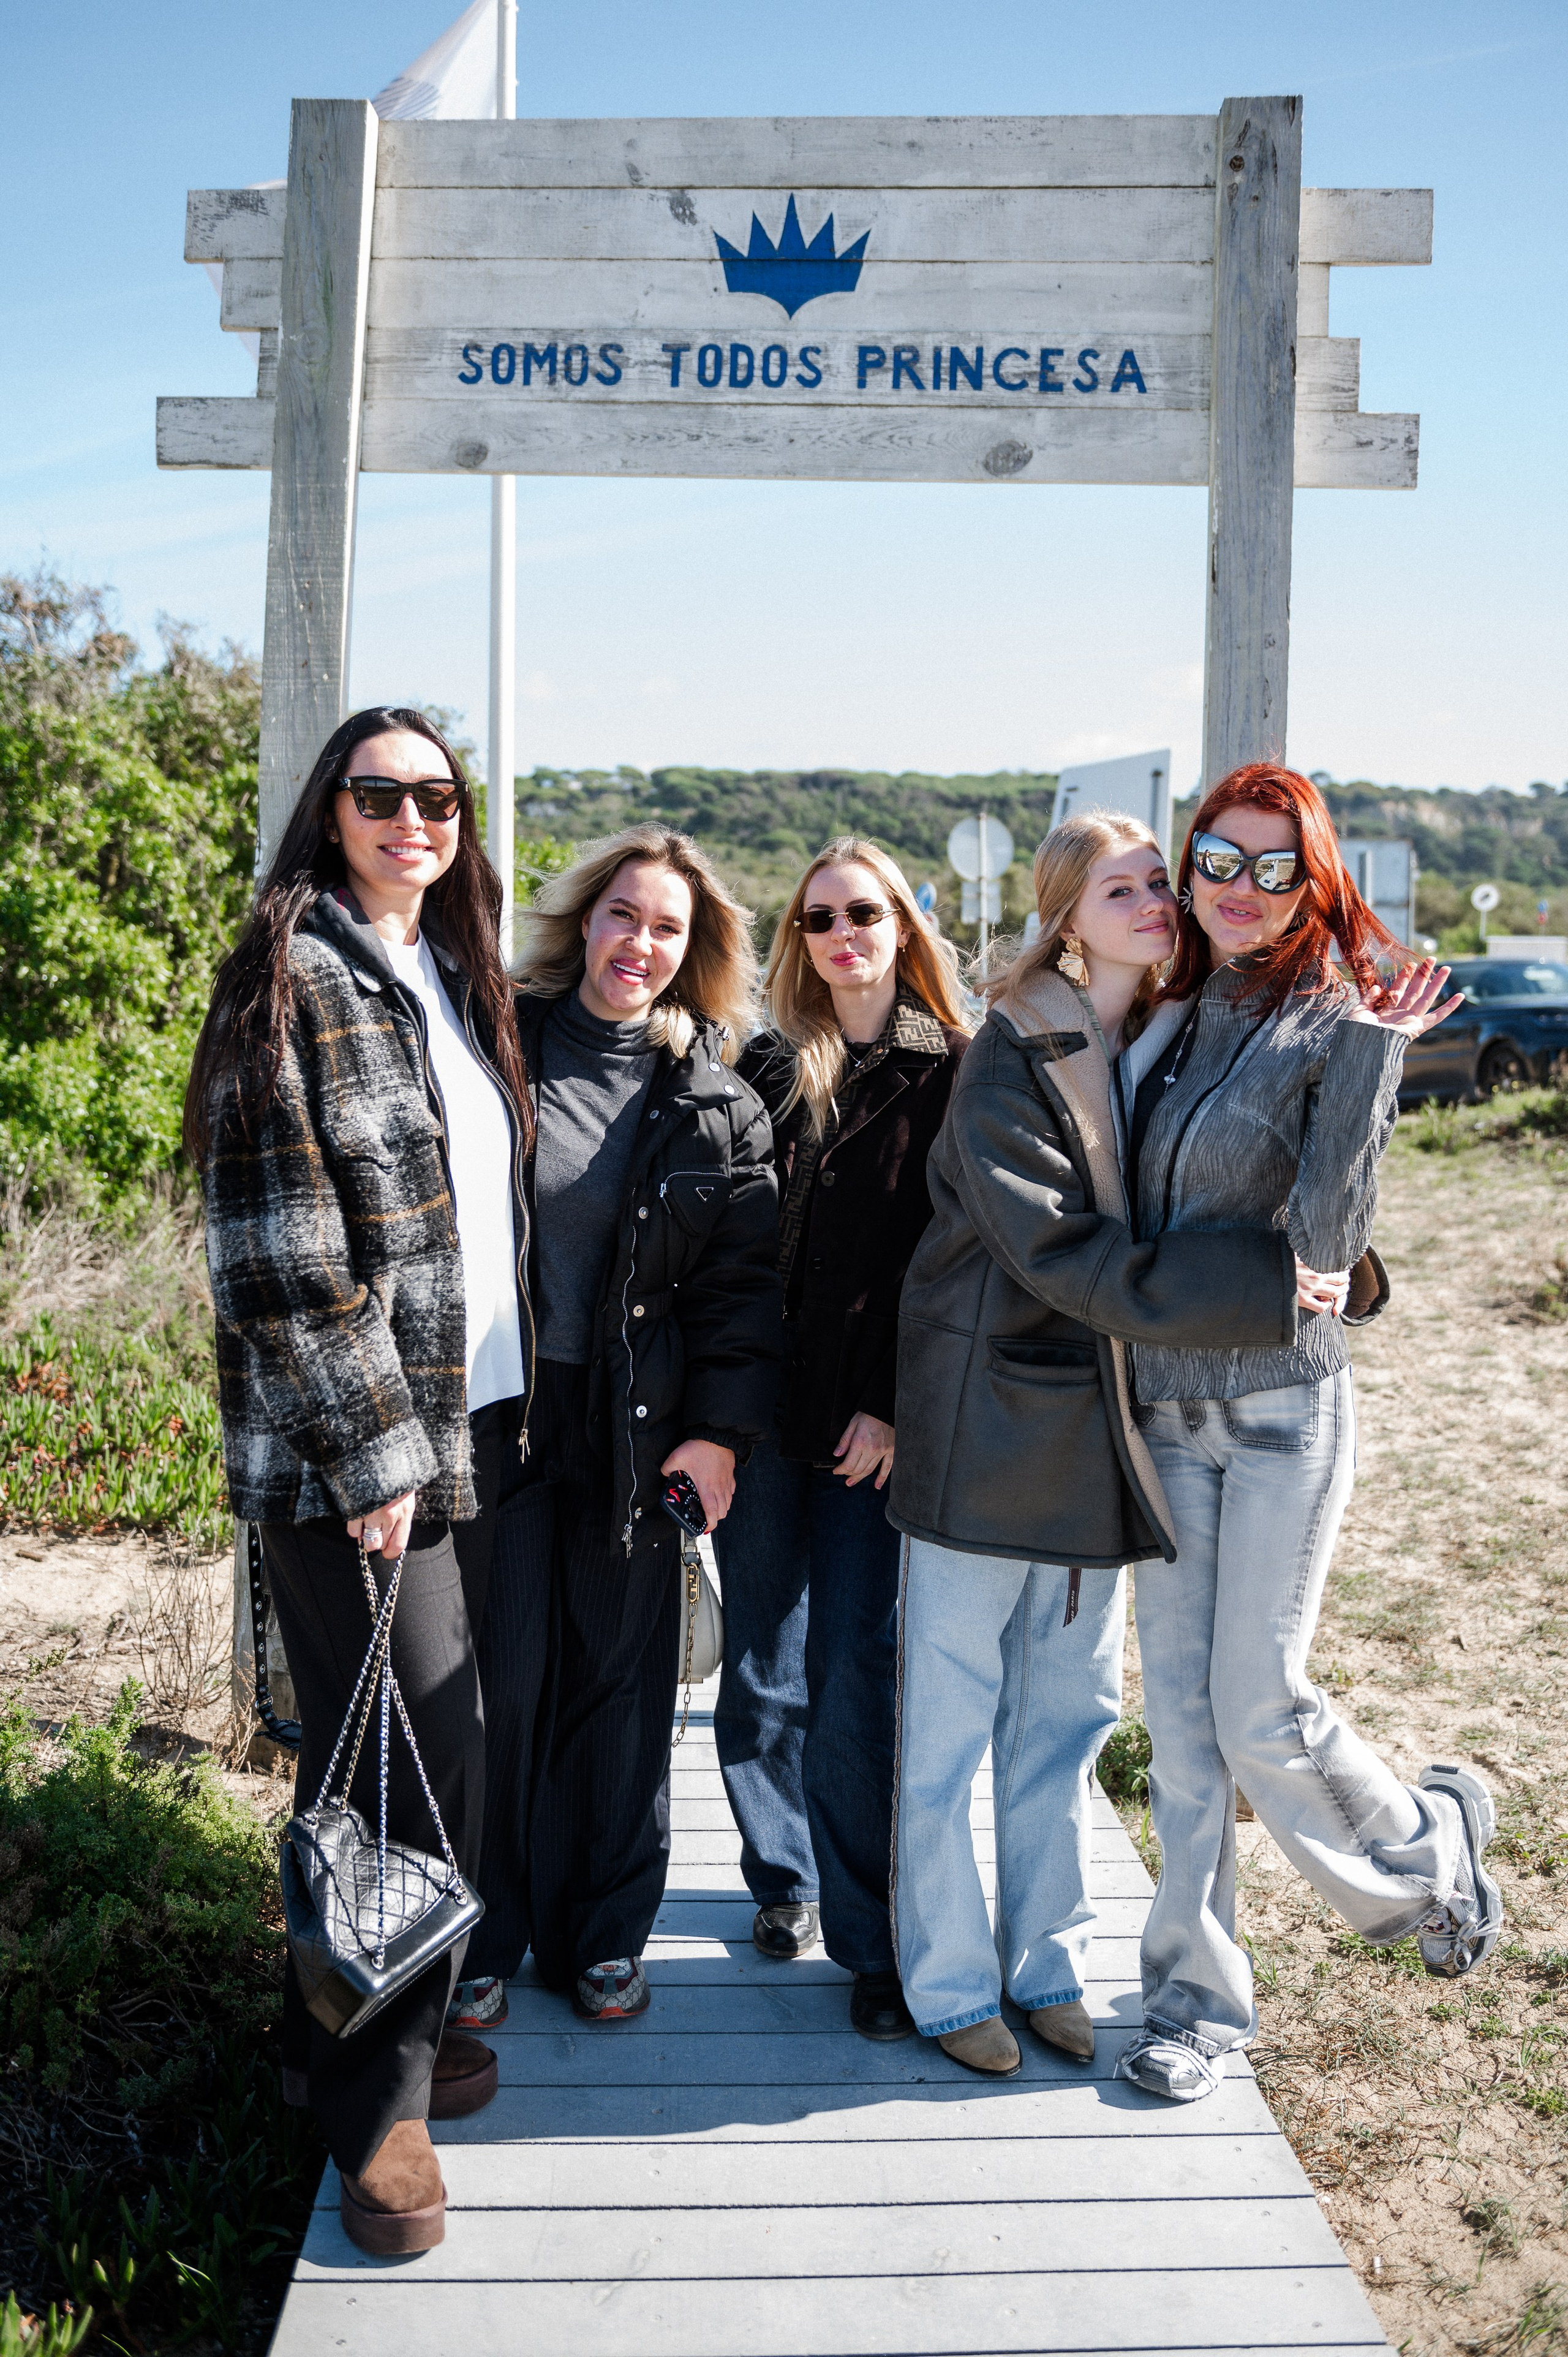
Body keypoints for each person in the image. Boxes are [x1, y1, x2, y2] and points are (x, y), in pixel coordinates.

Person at [886, 810, 1322, 2078]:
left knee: (1065, 1722)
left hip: (1101, 1433)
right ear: (1065, 913)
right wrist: (1261, 1287)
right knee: (947, 1728)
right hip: (985, 1423)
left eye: (1156, 883)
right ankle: (948, 1980)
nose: (1152, 901)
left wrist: (1332, 1270)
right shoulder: (1008, 1045)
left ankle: (1046, 1963)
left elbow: (1227, 1188)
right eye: (1120, 886)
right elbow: (1061, 1255)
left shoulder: (1169, 1035)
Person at [185, 707, 532, 2255]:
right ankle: (378, 2111)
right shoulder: (293, 974)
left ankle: (330, 2030)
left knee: (369, 1753)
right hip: (365, 1457)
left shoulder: (444, 976)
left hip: (482, 1429)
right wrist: (371, 1454)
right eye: (379, 793)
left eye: (438, 798)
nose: (412, 819)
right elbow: (279, 1252)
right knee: (420, 1761)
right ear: (328, 810)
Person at [1115, 760, 1499, 2105]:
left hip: (1281, 1407)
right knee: (1179, 1724)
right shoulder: (1160, 1010)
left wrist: (1373, 1060)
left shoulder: (1337, 1014)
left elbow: (1327, 1243)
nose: (1239, 889)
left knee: (1260, 1705)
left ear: (1312, 876)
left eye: (1273, 867)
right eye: (1216, 859)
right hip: (1158, 1410)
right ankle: (1194, 2000)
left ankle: (1427, 1861)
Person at [459, 824, 782, 2027]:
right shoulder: (492, 1052)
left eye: (666, 928)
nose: (637, 943)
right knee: (492, 1683)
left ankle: (600, 1934)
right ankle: (482, 1936)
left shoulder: (716, 1105)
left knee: (617, 1684)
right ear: (582, 921)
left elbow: (743, 1301)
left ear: (690, 954)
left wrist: (719, 1437)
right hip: (496, 1422)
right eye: (622, 916)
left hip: (634, 1435)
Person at [712, 836, 970, 2039]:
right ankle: (783, 1882)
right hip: (765, 1416)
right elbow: (735, 1245)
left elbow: (949, 1268)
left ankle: (869, 1942)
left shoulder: (953, 1071)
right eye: (817, 919)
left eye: (862, 912)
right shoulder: (767, 1066)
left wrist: (900, 1407)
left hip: (872, 1428)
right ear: (797, 941)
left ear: (903, 923)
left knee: (852, 1674)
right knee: (760, 1660)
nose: (841, 934)